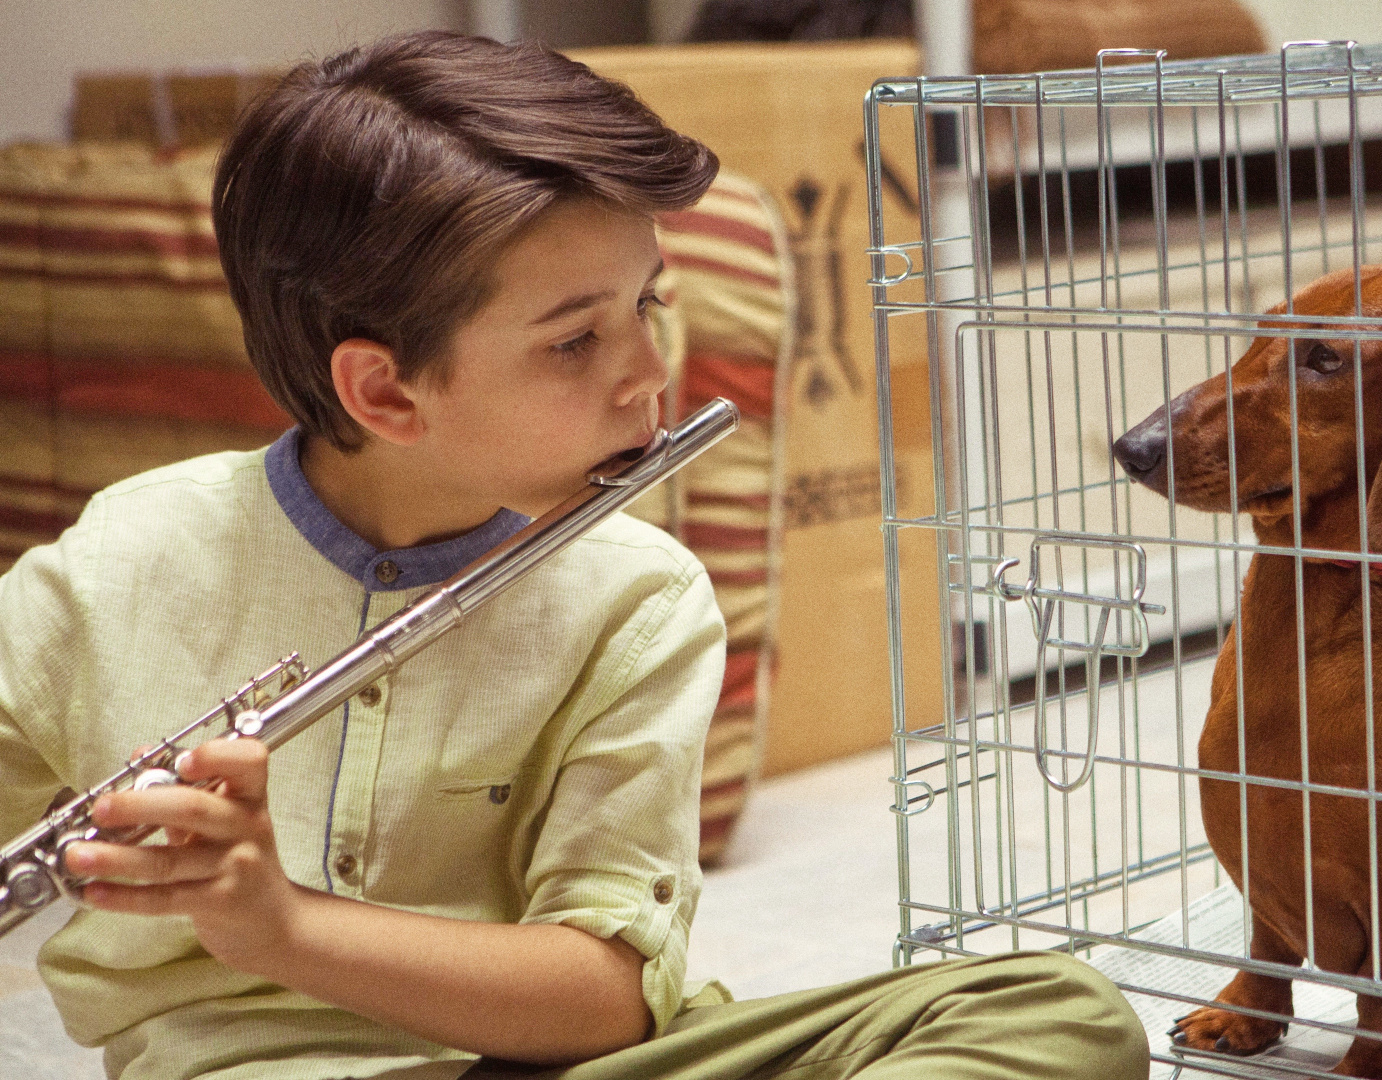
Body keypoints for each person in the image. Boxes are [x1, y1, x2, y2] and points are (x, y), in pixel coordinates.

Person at [0, 30, 1148, 1080]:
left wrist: (283, 923)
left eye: (649, 303)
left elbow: (608, 999)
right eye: (575, 339)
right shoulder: (127, 563)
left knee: (1059, 1011)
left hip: (572, 1062)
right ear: (385, 390)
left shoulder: (636, 596)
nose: (649, 372)